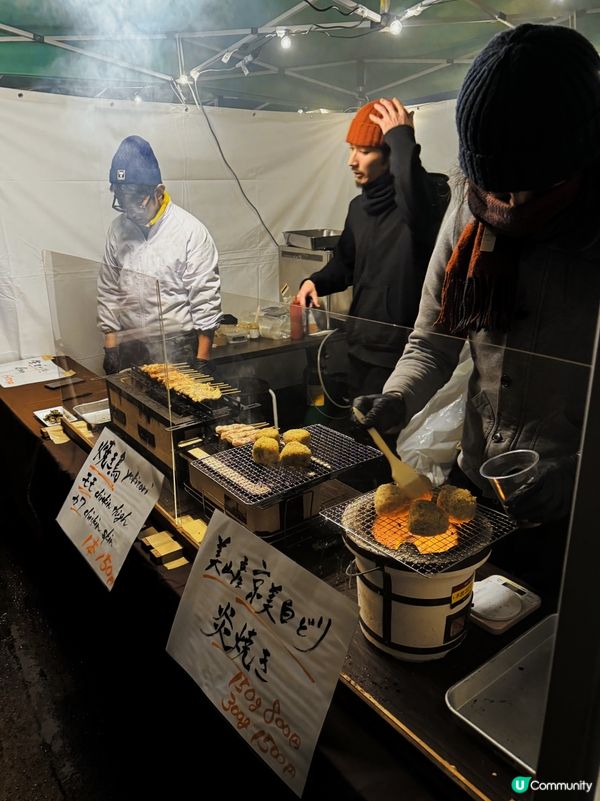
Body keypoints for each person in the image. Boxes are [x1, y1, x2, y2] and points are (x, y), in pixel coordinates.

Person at [354, 24, 600, 596]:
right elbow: (431, 341)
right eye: (495, 189)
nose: (507, 207)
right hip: (474, 492)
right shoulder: (472, 208)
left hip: (573, 518)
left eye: (530, 190)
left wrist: (575, 475)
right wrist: (398, 398)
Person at [294, 98, 449, 398]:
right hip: (360, 344)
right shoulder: (359, 208)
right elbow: (346, 264)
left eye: (364, 151)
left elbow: (415, 198)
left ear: (391, 156)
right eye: (351, 149)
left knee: (392, 440)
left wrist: (401, 137)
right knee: (362, 437)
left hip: (404, 354)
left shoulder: (428, 199)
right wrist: (315, 281)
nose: (352, 160)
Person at [97, 135, 222, 374]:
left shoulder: (189, 231)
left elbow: (204, 297)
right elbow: (109, 289)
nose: (131, 210)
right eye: (123, 201)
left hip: (178, 344)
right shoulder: (117, 229)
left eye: (137, 201)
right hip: (131, 342)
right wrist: (111, 347)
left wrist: (202, 359)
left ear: (159, 191)